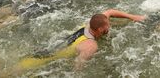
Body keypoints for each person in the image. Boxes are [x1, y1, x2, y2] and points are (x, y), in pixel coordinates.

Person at [17, 9, 146, 70]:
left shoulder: (89, 24)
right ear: (100, 30)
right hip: (35, 64)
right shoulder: (91, 45)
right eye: (108, 25)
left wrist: (133, 17)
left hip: (44, 50)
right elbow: (77, 68)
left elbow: (110, 11)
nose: (110, 25)